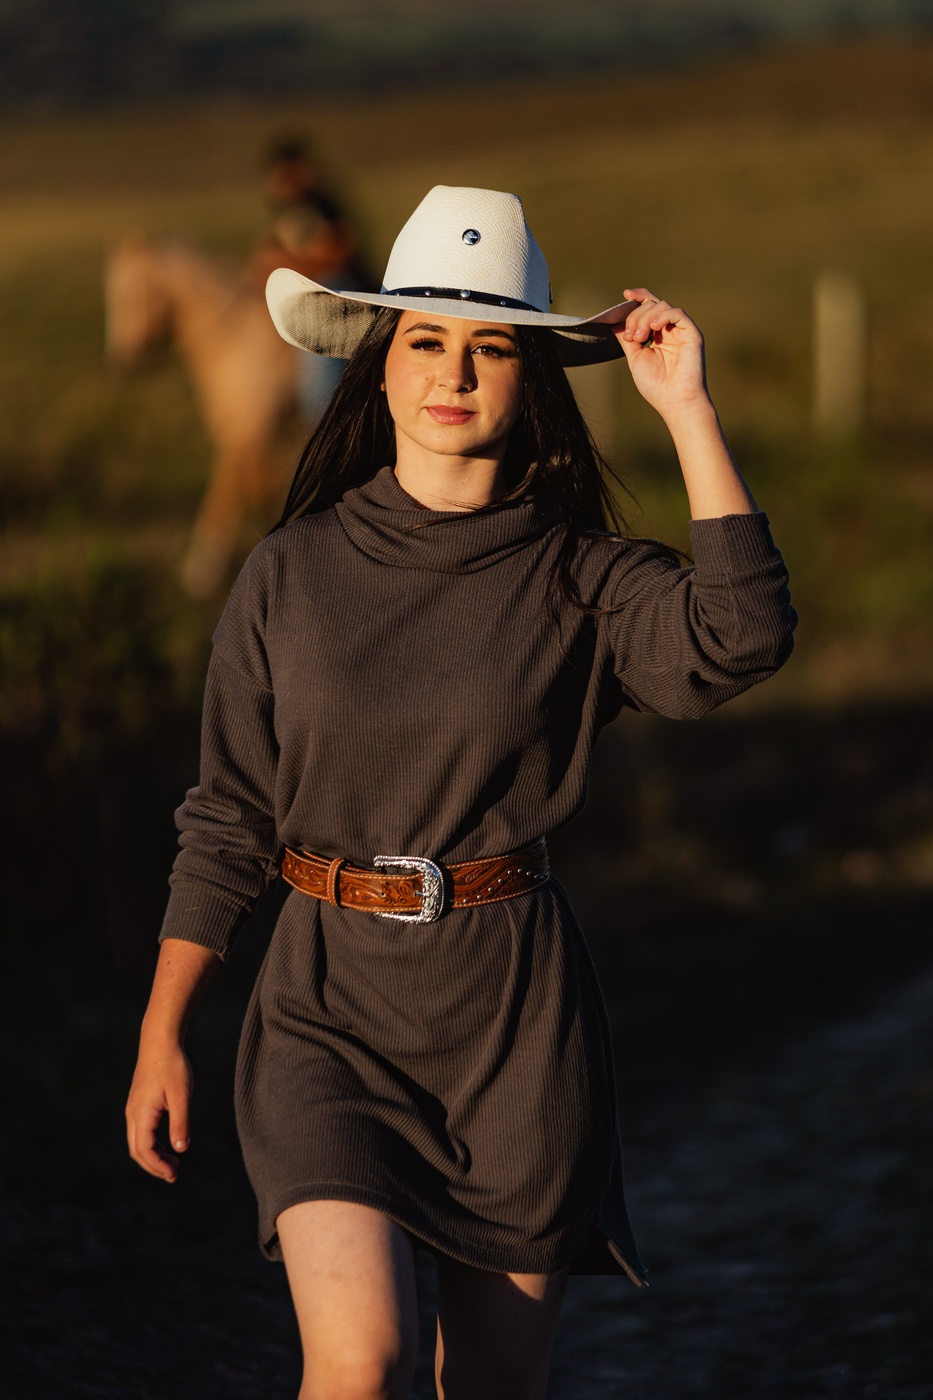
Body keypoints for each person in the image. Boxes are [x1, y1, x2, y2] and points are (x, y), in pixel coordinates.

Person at [126, 185, 796, 1399]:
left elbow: (741, 634)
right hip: (326, 1009)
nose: (453, 372)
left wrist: (687, 409)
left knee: (490, 1383)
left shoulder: (581, 576)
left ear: (532, 379)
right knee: (358, 1359)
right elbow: (227, 817)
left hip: (516, 1029)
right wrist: (163, 1024)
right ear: (378, 364)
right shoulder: (287, 573)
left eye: (491, 345)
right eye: (425, 339)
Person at [246, 137, 375, 422]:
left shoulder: (321, 203)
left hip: (336, 289)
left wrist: (292, 263)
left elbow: (341, 249)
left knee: (319, 340)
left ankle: (324, 412)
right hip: (303, 286)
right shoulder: (287, 206)